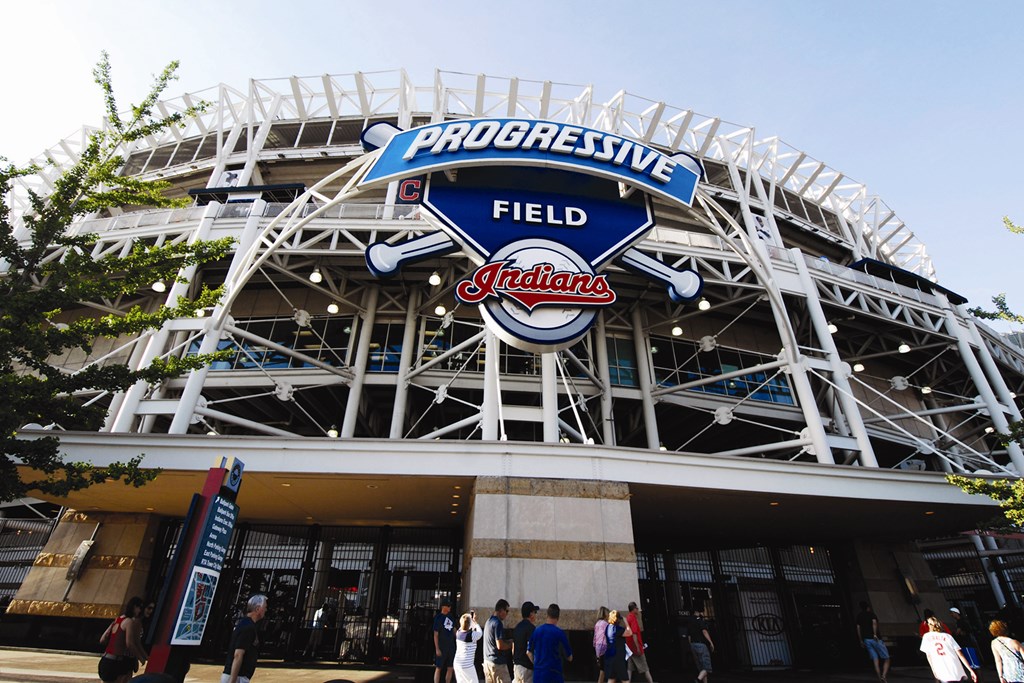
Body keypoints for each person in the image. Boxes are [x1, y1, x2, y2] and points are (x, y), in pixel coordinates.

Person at [99, 596, 148, 683]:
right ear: (133, 607)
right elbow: (130, 643)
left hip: (105, 660)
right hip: (115, 662)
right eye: (139, 607)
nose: (140, 610)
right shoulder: (129, 622)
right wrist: (140, 658)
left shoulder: (117, 620)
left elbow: (102, 639)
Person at [222, 594, 267, 683]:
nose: (266, 610)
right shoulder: (248, 627)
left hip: (238, 676)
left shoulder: (246, 624)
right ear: (258, 609)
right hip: (237, 677)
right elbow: (238, 655)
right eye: (264, 607)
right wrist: (232, 680)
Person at [920, 616, 978, 683]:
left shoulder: (926, 636)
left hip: (942, 670)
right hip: (955, 668)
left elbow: (929, 656)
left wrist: (934, 673)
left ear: (929, 625)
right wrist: (970, 670)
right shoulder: (948, 636)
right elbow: (960, 654)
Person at [527, 603, 573, 683]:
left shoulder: (537, 631)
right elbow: (569, 657)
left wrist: (536, 664)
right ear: (558, 617)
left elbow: (528, 652)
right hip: (554, 674)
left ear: (547, 615)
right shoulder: (560, 633)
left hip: (539, 674)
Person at [856, 601, 891, 683]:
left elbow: (858, 628)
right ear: (868, 607)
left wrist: (861, 640)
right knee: (887, 658)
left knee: (875, 660)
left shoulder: (859, 616)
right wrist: (875, 634)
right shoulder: (871, 614)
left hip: (866, 640)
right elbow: (874, 623)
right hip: (875, 639)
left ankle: (879, 679)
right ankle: (884, 676)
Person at [484, 599, 513, 683]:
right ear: (501, 610)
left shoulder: (488, 621)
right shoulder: (498, 623)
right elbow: (500, 645)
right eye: (506, 611)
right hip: (497, 664)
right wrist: (511, 644)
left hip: (487, 661)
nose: (507, 614)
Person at [684, 607, 715, 683]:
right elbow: (704, 631)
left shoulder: (689, 622)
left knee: (701, 668)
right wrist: (710, 642)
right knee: (706, 667)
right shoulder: (700, 620)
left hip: (693, 645)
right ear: (696, 612)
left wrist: (691, 645)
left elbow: (689, 637)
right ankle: (697, 680)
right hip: (701, 645)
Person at [625, 602, 654, 683]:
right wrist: (638, 647)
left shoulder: (628, 618)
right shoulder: (633, 618)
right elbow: (634, 633)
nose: (638, 610)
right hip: (635, 647)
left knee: (630, 669)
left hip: (630, 647)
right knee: (645, 668)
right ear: (634, 609)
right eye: (637, 608)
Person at [513, 601, 539, 683]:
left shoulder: (517, 627)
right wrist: (536, 664)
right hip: (526, 669)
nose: (535, 615)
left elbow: (513, 647)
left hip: (517, 667)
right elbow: (529, 651)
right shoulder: (531, 628)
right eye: (535, 612)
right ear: (531, 614)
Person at [603, 609, 632, 683]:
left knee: (611, 678)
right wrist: (626, 621)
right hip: (618, 657)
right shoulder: (618, 629)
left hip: (610, 657)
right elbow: (629, 632)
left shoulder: (607, 628)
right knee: (625, 680)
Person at [454, 612, 483, 683]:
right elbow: (480, 633)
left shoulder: (458, 632)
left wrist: (470, 619)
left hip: (457, 663)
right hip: (467, 665)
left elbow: (464, 625)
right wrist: (475, 622)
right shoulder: (472, 635)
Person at [433, 598, 457, 683]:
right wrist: (437, 648)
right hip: (442, 646)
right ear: (443, 607)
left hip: (451, 646)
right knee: (439, 667)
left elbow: (454, 630)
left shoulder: (451, 617)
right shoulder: (438, 618)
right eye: (448, 605)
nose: (450, 607)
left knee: (450, 667)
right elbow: (435, 634)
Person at [593, 607, 610, 683]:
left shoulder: (597, 624)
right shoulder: (605, 624)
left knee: (602, 669)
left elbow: (595, 636)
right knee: (605, 670)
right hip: (605, 646)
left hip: (598, 647)